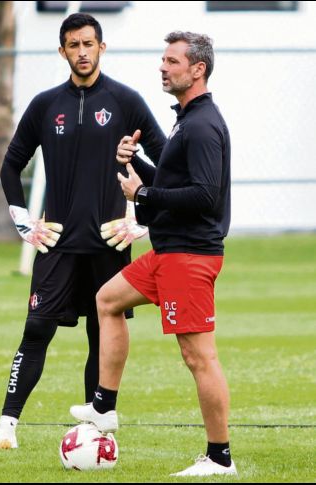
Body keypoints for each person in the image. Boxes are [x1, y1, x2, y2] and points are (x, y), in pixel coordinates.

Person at [0, 13, 165, 450]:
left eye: (89, 44)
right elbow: (10, 164)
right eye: (73, 45)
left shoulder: (126, 102)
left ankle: (92, 432)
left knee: (102, 337)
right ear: (62, 51)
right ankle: (5, 429)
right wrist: (25, 221)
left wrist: (140, 219)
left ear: (102, 47)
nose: (82, 52)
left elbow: (168, 165)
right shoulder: (45, 105)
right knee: (36, 330)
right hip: (57, 244)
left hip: (109, 245)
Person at [69, 31, 235, 476]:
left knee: (199, 357)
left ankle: (220, 458)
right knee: (107, 300)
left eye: (173, 61)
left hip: (189, 256)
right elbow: (173, 180)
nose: (163, 67)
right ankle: (104, 408)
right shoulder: (186, 119)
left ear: (197, 69)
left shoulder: (202, 125)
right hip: (168, 252)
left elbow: (204, 195)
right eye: (163, 60)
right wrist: (135, 161)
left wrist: (142, 193)